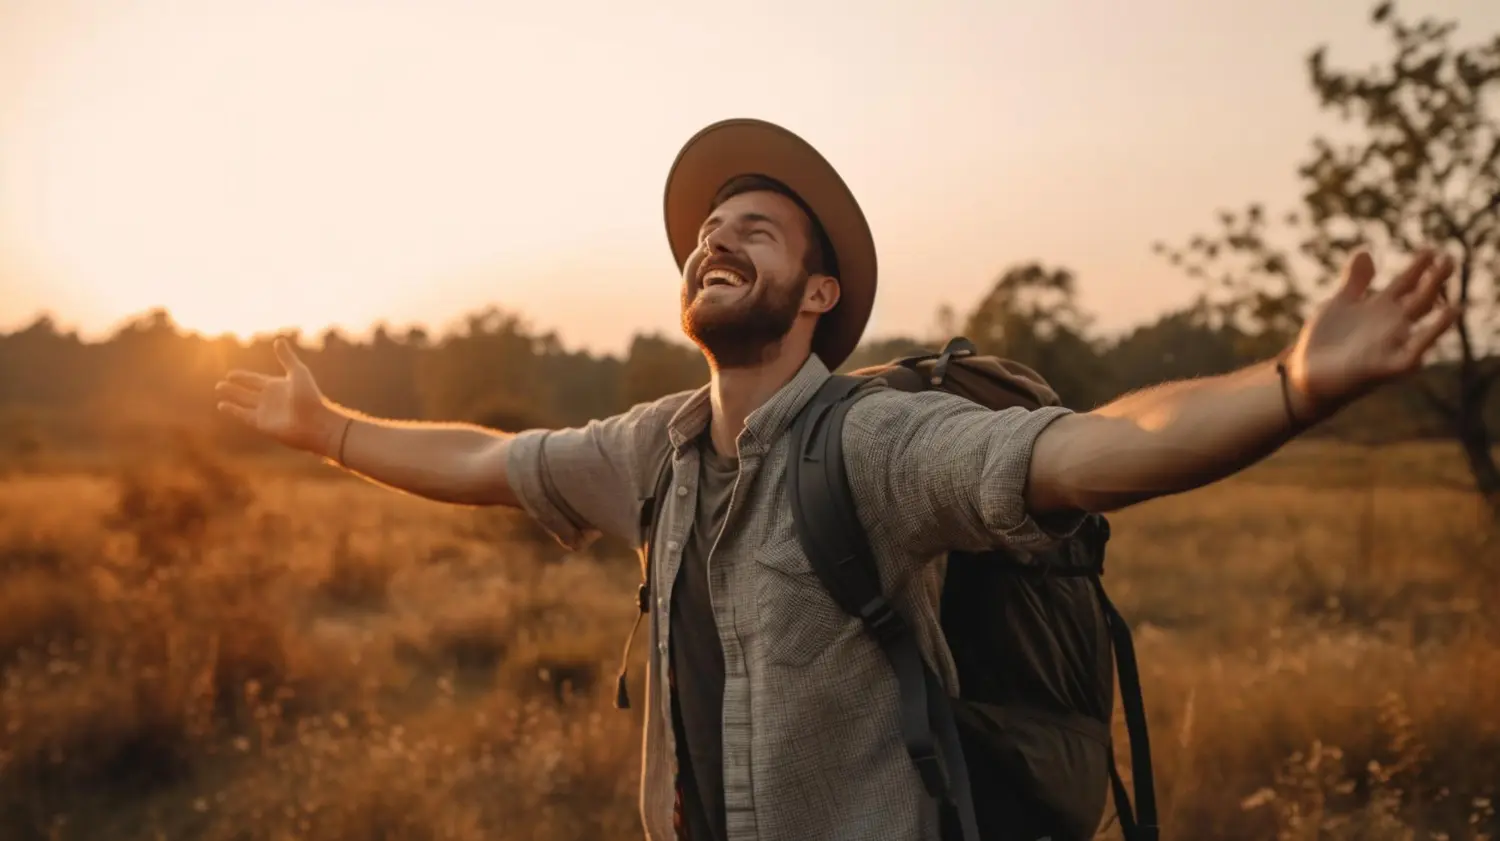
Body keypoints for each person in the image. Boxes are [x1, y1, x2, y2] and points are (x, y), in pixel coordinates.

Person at [214, 118, 1461, 841]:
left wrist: (1293, 385)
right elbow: (489, 460)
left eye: (754, 230)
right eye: (709, 231)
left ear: (819, 297)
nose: (714, 239)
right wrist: (332, 432)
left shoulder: (874, 442)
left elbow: (1089, 450)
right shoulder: (651, 447)